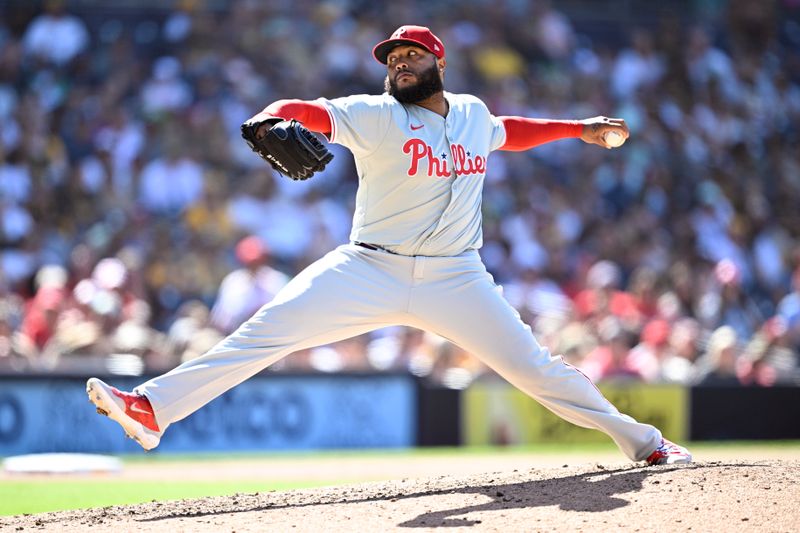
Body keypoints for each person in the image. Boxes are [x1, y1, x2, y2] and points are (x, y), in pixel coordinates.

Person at [87, 25, 691, 466]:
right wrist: (272, 116)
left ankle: (645, 443)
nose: (400, 63)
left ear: (438, 63)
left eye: (412, 55)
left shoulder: (475, 114)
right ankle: (151, 410)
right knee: (263, 332)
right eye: (393, 58)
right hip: (367, 268)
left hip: (456, 276)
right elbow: (308, 110)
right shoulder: (375, 115)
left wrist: (578, 128)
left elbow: (512, 132)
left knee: (536, 368)